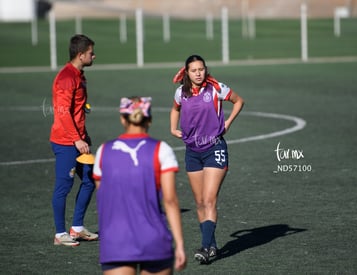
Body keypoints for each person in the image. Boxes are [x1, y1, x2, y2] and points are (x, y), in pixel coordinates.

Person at [93, 97, 187, 275]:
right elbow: (170, 201)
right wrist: (180, 244)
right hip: (153, 240)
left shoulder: (103, 151)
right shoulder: (161, 149)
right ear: (149, 119)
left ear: (123, 119)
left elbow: (103, 194)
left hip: (116, 242)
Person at [170, 54, 244, 264]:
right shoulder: (180, 92)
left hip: (214, 148)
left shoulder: (216, 88)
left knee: (210, 199)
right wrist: (172, 129)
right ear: (187, 72)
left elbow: (239, 101)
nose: (198, 73)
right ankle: (212, 246)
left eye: (201, 69)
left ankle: (205, 247)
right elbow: (175, 109)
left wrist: (228, 122)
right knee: (200, 202)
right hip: (192, 151)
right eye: (194, 70)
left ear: (205, 69)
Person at [50, 34, 98, 246]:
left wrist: (83, 132)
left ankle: (77, 228)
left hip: (79, 139)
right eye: (90, 53)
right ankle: (60, 234)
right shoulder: (66, 78)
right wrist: (76, 139)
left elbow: (75, 108)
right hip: (66, 142)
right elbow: (62, 112)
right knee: (63, 186)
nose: (94, 56)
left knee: (91, 179)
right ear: (80, 55)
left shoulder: (79, 75)